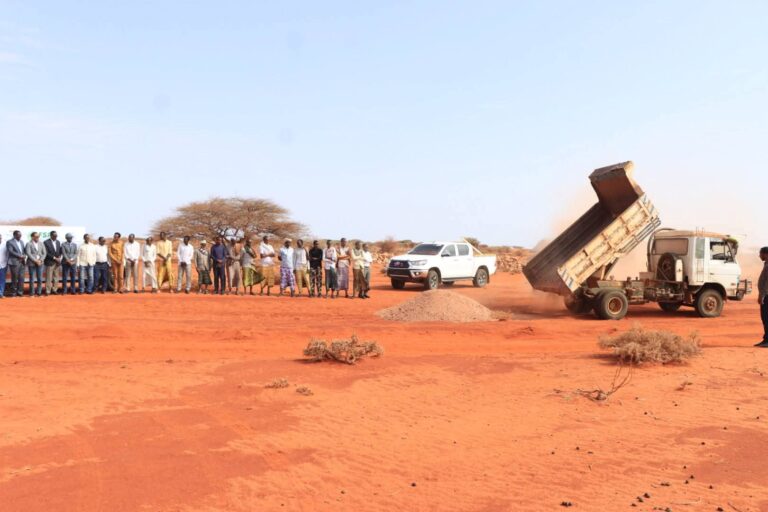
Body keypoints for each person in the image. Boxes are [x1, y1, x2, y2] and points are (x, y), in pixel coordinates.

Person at [25, 232, 46, 297]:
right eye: (36, 237)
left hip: (40, 263)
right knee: (32, 279)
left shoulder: (41, 243)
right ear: (32, 237)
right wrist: (35, 260)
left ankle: (39, 293)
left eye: (38, 237)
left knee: (40, 278)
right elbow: (28, 253)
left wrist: (41, 260)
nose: (37, 238)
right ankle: (32, 293)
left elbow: (44, 253)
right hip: (32, 263)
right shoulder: (28, 244)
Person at [6, 231, 26, 297]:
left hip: (22, 262)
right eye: (18, 235)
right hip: (14, 262)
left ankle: (20, 292)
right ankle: (13, 293)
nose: (20, 236)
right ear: (14, 235)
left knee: (21, 278)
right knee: (14, 278)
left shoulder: (22, 242)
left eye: (20, 235)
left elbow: (23, 251)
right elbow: (10, 251)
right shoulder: (9, 242)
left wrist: (24, 256)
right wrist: (20, 256)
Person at [43, 230, 63, 296]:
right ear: (51, 235)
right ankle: (48, 291)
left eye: (56, 236)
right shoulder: (46, 242)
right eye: (54, 236)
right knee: (49, 278)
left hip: (57, 263)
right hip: (50, 262)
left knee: (56, 277)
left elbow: (59, 251)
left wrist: (59, 257)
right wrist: (54, 258)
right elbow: (46, 253)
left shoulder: (58, 242)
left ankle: (54, 290)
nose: (55, 237)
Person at [756, 247, 768, 348]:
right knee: (765, 318)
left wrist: (762, 295)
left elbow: (767, 283)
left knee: (766, 317)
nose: (759, 256)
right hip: (765, 295)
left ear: (766, 254)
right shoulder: (766, 264)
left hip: (767, 296)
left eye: (761, 254)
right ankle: (766, 339)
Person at [0, 234, 7, 299]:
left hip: (3, 265)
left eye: (0, 238)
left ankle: (1, 293)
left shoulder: (5, 244)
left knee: (2, 280)